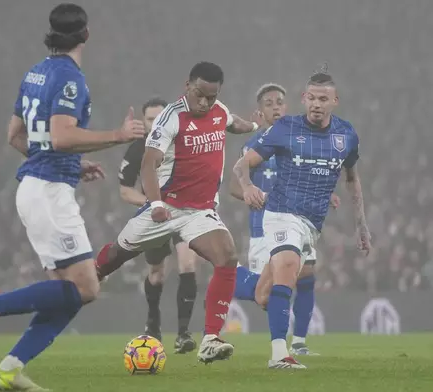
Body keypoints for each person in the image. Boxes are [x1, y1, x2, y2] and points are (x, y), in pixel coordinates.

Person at [0, 4, 145, 391]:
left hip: (37, 188)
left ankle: (8, 370)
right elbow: (61, 136)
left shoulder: (35, 73)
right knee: (88, 287)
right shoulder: (69, 78)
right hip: (48, 193)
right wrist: (119, 135)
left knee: (70, 296)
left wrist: (73, 167)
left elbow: (15, 135)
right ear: (86, 34)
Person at [95, 61, 258, 364]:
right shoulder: (171, 117)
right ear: (187, 86)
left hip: (199, 212)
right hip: (165, 206)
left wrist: (254, 125)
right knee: (118, 254)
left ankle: (210, 338)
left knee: (227, 257)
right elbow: (148, 164)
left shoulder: (218, 110)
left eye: (211, 96)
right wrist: (155, 204)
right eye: (200, 94)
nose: (205, 102)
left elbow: (232, 121)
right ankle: (93, 273)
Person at [233, 72, 371, 369]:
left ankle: (231, 280)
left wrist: (361, 225)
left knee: (264, 294)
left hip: (311, 224)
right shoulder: (286, 128)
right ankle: (280, 353)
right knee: (287, 265)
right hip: (281, 214)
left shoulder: (346, 135)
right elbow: (242, 163)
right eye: (312, 98)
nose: (317, 104)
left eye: (323, 99)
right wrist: (247, 187)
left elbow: (352, 179)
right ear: (304, 99)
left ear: (335, 101)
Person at [229, 83, 340, 356]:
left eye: (279, 102)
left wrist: (325, 193)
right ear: (259, 113)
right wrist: (252, 193)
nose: (276, 107)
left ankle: (299, 343)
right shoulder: (255, 144)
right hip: (266, 227)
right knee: (264, 295)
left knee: (307, 274)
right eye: (269, 103)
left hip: (299, 222)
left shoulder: (295, 140)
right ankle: (225, 281)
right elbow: (234, 184)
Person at [118, 97, 199, 353]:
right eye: (150, 119)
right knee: (157, 274)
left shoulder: (185, 143)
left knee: (187, 263)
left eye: (160, 118)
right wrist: (154, 204)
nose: (155, 123)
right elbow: (124, 191)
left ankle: (184, 333)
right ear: (144, 121)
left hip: (184, 213)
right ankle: (153, 324)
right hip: (155, 216)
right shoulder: (138, 148)